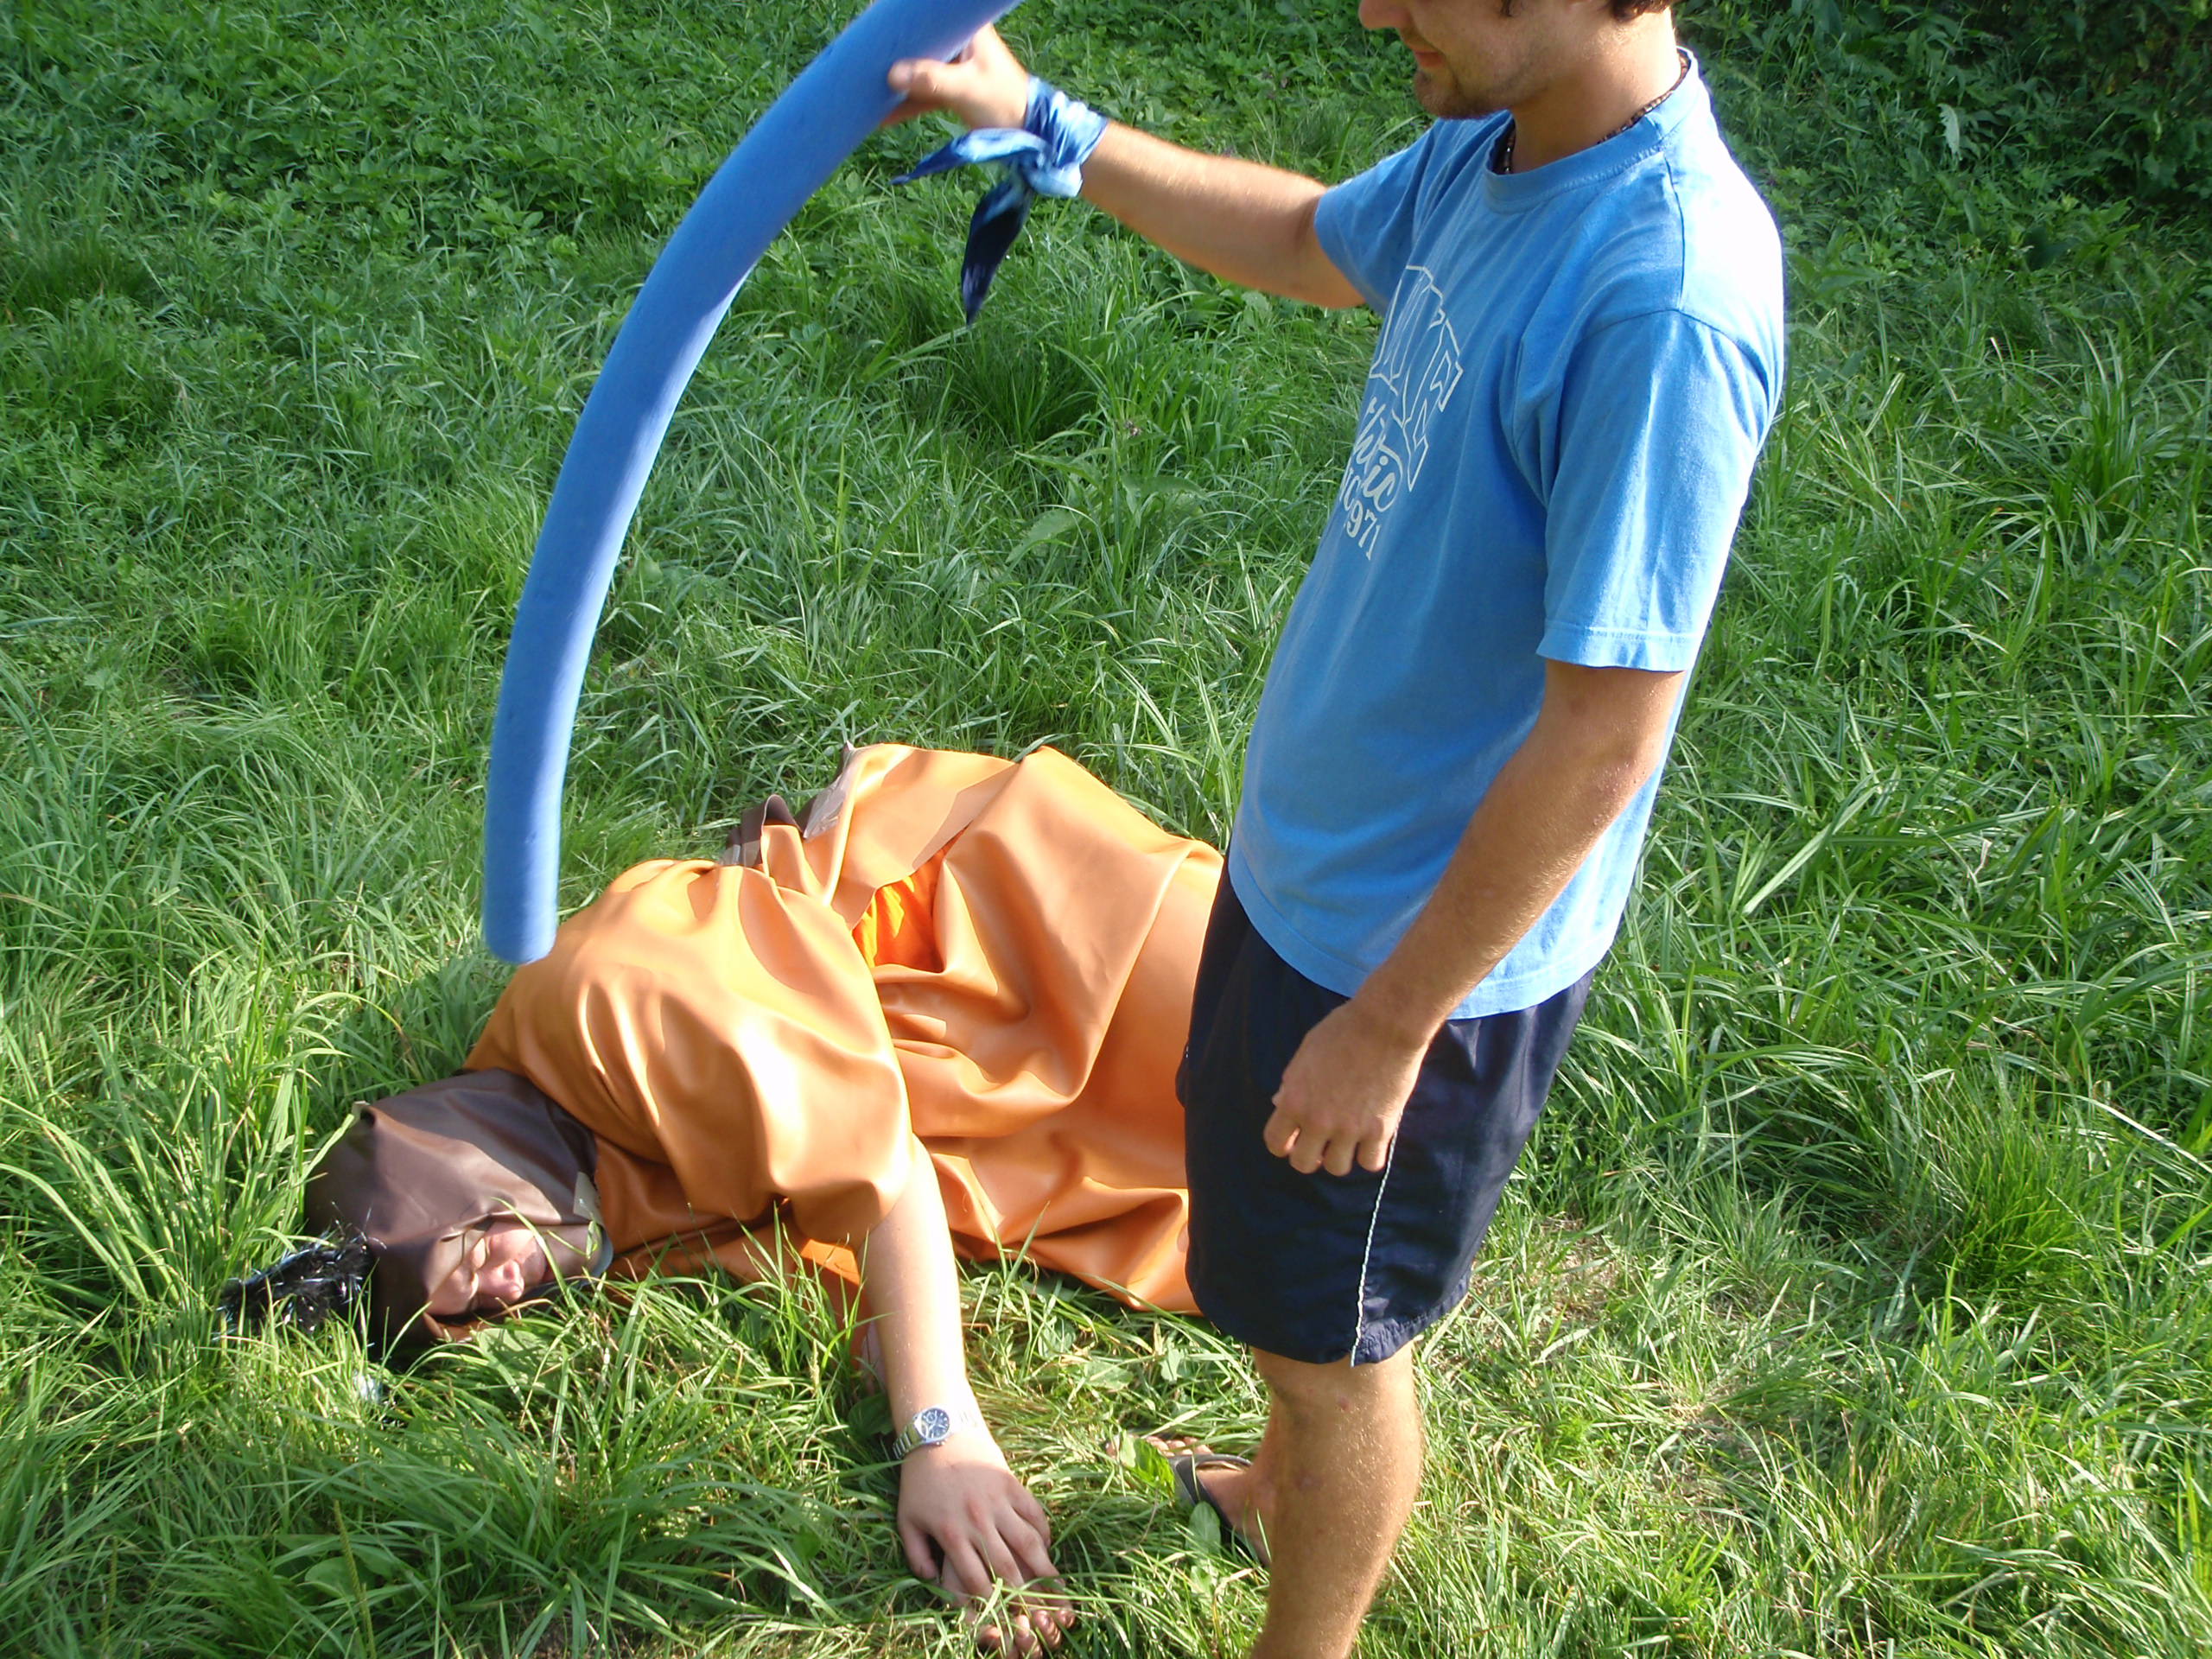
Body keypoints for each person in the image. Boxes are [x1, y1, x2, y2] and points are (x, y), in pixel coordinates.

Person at [886, 3, 1784, 1656]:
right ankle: (1269, 1489)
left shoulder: (1663, 298)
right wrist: (1057, 129)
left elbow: (1605, 737)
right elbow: (1311, 236)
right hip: (1314, 872)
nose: (1375, 7)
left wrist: (1389, 1025)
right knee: (1283, 1286)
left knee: (1339, 1346)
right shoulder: (1499, 141)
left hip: (1407, 961)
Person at [308, 742, 1223, 1656]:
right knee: (1247, 1218)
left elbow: (886, 1185)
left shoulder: (614, 1010)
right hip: (946, 1081)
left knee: (1265, 1032)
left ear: (472, 1171)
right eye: (474, 1309)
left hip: (989, 914)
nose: (509, 1288)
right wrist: (989, 1498)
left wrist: (944, 1439)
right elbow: (847, 1275)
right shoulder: (586, 1207)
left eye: (476, 1256)